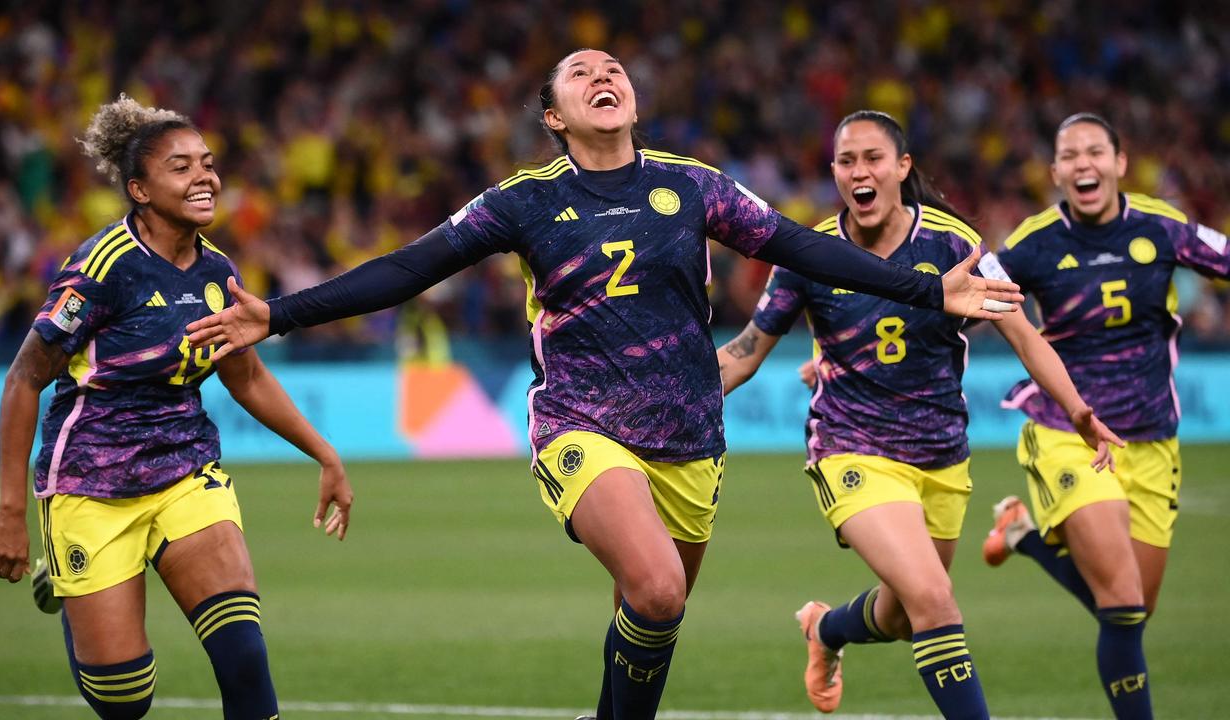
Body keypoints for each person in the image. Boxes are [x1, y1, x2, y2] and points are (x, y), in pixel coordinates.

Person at [185, 50, 1021, 719]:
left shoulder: (692, 186)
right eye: (581, 74)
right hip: (581, 425)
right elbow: (412, 266)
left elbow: (800, 246)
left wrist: (925, 286)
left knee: (654, 611)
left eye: (614, 69)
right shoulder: (525, 200)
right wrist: (283, 313)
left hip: (690, 435)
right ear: (555, 117)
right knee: (656, 587)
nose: (604, 76)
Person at [716, 110, 1121, 719]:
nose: (861, 171)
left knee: (907, 613)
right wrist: (658, 397)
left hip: (940, 455)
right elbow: (744, 355)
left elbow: (1026, 336)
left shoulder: (954, 245)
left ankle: (826, 631)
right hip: (850, 446)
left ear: (902, 168)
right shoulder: (809, 254)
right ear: (835, 173)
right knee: (935, 600)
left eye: (874, 158)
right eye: (848, 161)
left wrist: (1079, 410)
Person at [0, 95, 353, 720]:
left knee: (243, 659)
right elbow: (24, 379)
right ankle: (69, 592)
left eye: (207, 163)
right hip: (89, 486)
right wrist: (11, 511)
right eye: (181, 167)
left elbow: (248, 376)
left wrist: (325, 453)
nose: (204, 177)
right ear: (139, 190)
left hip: (185, 472)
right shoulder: (102, 268)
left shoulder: (217, 273)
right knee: (125, 699)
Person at [980, 113, 1230, 720]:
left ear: (1121, 163)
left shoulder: (1162, 226)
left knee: (1133, 610)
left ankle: (1025, 537)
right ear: (1056, 172)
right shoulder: (1033, 243)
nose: (1083, 164)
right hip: (1068, 427)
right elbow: (962, 296)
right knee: (1120, 602)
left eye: (1096, 152)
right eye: (1070, 155)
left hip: (1151, 437)